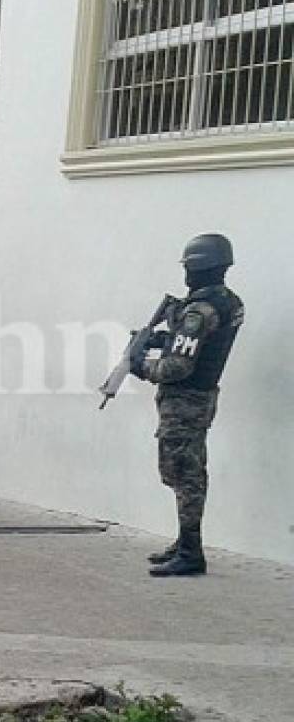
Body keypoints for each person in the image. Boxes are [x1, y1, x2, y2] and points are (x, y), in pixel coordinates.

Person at [131, 233, 244, 578]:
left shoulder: (199, 310)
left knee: (184, 473)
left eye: (188, 268)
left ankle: (190, 551)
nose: (185, 276)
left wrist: (141, 366)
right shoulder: (229, 302)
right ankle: (184, 542)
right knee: (186, 470)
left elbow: (178, 367)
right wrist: (165, 338)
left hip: (185, 400)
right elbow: (198, 345)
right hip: (202, 397)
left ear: (197, 268)